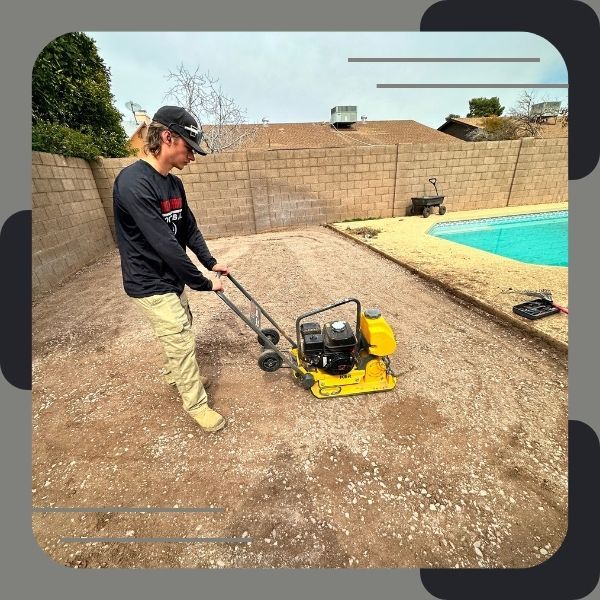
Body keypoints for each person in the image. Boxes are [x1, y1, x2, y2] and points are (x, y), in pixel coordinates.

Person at [113, 105, 228, 433]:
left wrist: (210, 262)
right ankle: (197, 405)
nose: (192, 156)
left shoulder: (173, 185)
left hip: (170, 278)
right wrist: (204, 283)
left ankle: (174, 372)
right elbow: (165, 244)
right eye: (189, 148)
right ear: (167, 137)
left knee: (183, 325)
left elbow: (187, 228)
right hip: (147, 280)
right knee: (180, 338)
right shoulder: (133, 184)